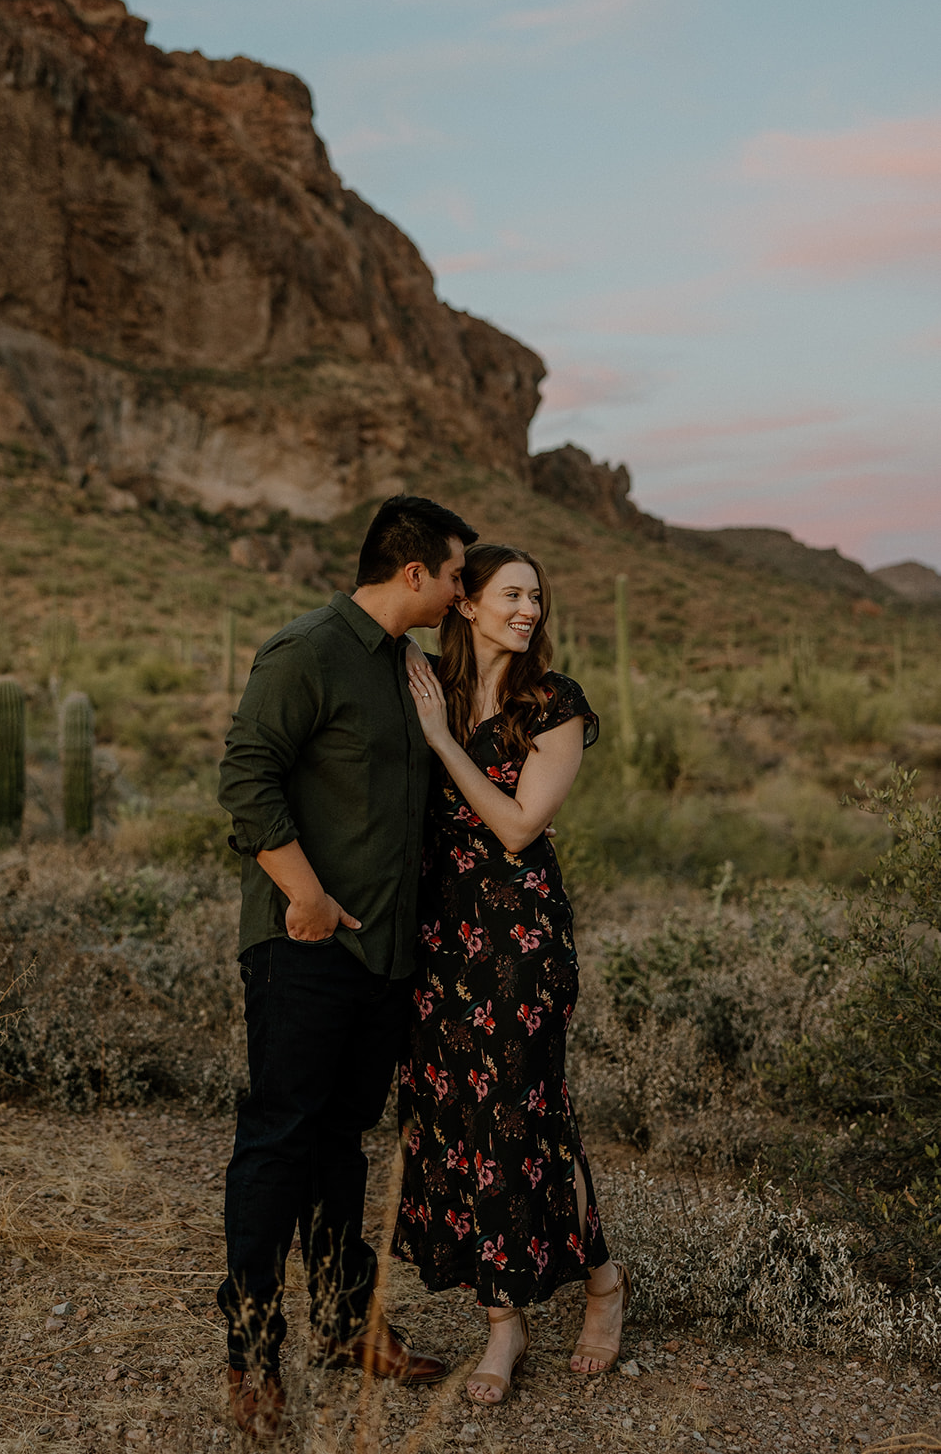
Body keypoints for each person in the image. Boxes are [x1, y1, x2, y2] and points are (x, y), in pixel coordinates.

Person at [216, 493, 478, 1442]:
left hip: (386, 958)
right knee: (279, 1141)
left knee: (340, 1144)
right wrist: (307, 897)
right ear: (414, 572)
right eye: (456, 574)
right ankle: (251, 1355)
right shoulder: (307, 651)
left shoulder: (411, 669)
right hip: (307, 947)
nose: (462, 591)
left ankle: (342, 1325)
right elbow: (245, 776)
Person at [393, 542, 630, 1406]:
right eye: (510, 595)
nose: (528, 610)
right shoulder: (422, 680)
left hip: (519, 939)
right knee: (454, 1114)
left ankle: (596, 1286)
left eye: (536, 596)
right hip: (437, 937)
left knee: (526, 1110)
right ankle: (508, 1320)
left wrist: (438, 744)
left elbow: (520, 826)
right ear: (466, 603)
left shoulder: (551, 703)